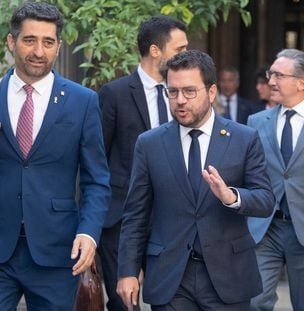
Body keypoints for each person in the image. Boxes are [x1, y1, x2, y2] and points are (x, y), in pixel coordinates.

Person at [116, 49, 275, 310]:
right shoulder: (150, 144)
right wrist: (127, 271)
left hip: (228, 276)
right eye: (173, 91)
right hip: (170, 276)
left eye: (189, 91)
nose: (180, 100)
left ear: (211, 92)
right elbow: (136, 213)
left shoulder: (244, 138)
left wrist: (232, 197)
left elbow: (265, 200)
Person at [0, 2, 111, 310]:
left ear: (58, 46)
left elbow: (97, 181)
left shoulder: (83, 101)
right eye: (29, 40)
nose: (39, 51)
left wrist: (89, 234)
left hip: (59, 252)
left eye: (48, 42)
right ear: (11, 42)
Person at [98, 15, 188, 311]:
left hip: (172, 222)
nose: (186, 55)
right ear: (155, 51)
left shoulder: (186, 94)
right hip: (121, 221)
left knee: (172, 302)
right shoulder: (114, 94)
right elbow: (97, 161)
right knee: (125, 305)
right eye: (180, 49)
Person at [247, 49, 304, 311]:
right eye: (270, 74)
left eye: (278, 75)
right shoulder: (256, 121)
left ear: (302, 82)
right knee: (254, 302)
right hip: (265, 228)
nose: (271, 81)